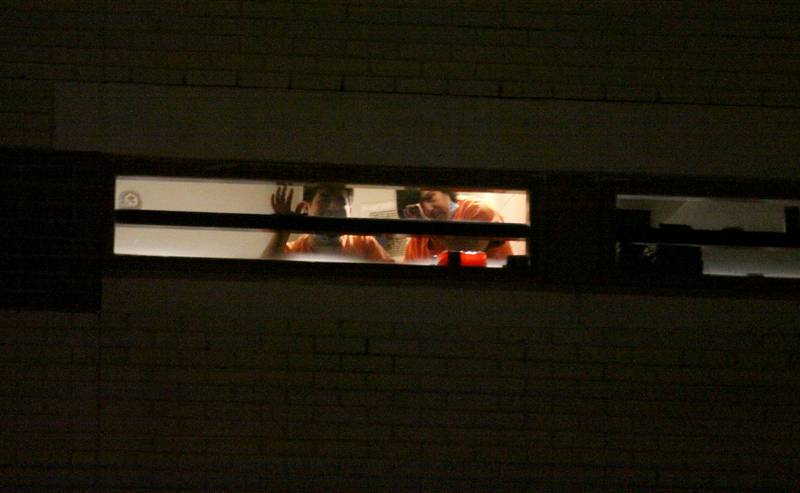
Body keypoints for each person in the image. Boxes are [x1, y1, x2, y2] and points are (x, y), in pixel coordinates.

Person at [262, 183, 393, 262]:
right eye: (324, 198)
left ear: (350, 210)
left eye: (341, 200)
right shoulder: (293, 250)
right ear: (307, 208)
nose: (333, 207)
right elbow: (264, 275)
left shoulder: (365, 243)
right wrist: (283, 230)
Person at [402, 189, 513, 262]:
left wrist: (429, 228)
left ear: (446, 191)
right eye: (419, 206)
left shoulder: (475, 210)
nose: (428, 209)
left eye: (431, 198)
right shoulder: (417, 241)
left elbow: (470, 248)